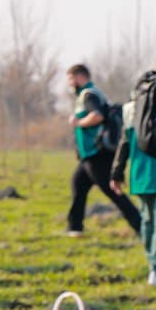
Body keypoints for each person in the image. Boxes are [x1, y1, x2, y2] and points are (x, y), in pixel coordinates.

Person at [110, 64, 156, 286]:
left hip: (140, 173)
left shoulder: (131, 107)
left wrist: (117, 172)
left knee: (147, 219)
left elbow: (124, 143)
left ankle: (153, 265)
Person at [65, 64, 142, 236]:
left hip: (97, 153)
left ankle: (140, 225)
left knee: (113, 192)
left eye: (71, 79)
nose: (70, 83)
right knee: (78, 184)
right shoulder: (87, 94)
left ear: (80, 77)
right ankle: (75, 227)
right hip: (89, 156)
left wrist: (78, 123)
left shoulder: (88, 95)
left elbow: (97, 116)